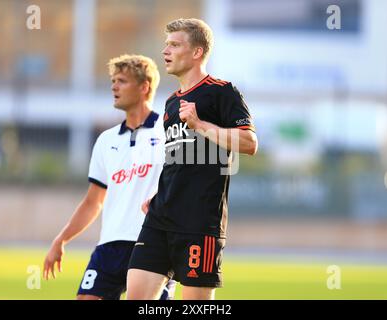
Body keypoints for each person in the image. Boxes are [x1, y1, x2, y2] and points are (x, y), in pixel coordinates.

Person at [126, 18, 258, 300]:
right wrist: (161, 193)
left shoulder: (222, 92)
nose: (165, 51)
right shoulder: (171, 102)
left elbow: (249, 143)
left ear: (197, 52)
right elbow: (179, 157)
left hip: (200, 222)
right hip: (161, 216)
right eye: (166, 45)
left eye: (174, 45)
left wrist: (201, 125)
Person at [43, 54, 175, 300]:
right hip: (110, 245)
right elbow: (94, 201)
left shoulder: (168, 132)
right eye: (113, 81)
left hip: (152, 243)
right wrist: (61, 239)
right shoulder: (106, 140)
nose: (114, 86)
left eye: (122, 81)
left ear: (144, 87)